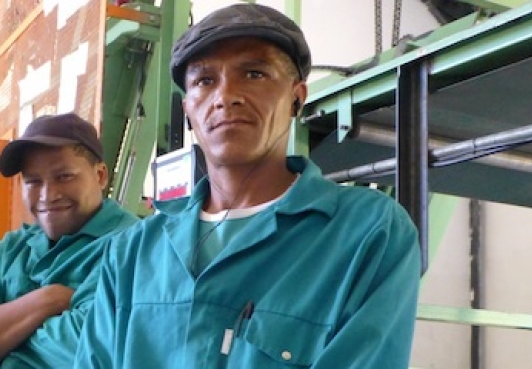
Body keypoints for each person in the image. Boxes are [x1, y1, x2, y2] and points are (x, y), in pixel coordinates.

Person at [75, 4, 421, 368]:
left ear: (296, 98)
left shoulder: (366, 233)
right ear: (188, 109)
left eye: (254, 73)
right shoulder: (132, 254)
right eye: (205, 81)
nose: (226, 96)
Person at [0, 113, 140, 368]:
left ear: (100, 176)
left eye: (64, 176)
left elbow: (93, 347)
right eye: (33, 181)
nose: (48, 195)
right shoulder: (11, 250)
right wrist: (48, 300)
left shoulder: (134, 244)